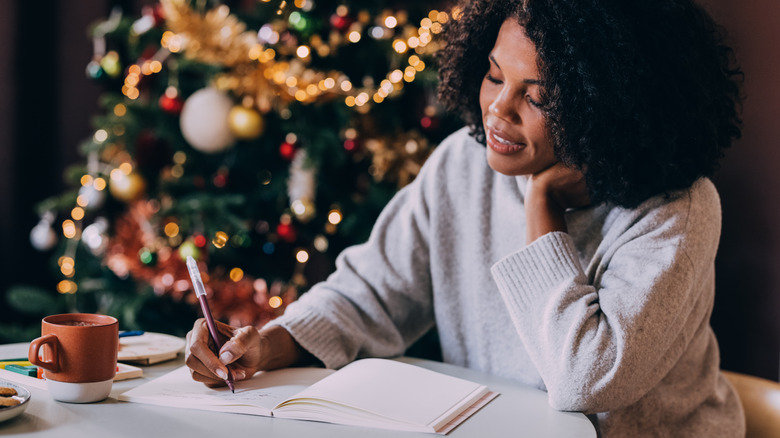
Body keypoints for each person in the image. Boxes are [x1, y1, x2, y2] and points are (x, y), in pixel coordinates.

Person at [185, 0, 745, 435]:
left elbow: (584, 380)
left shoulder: (676, 210)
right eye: (496, 75)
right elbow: (369, 297)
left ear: (611, 107)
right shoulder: (462, 162)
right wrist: (266, 345)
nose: (499, 109)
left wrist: (541, 205)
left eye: (539, 96)